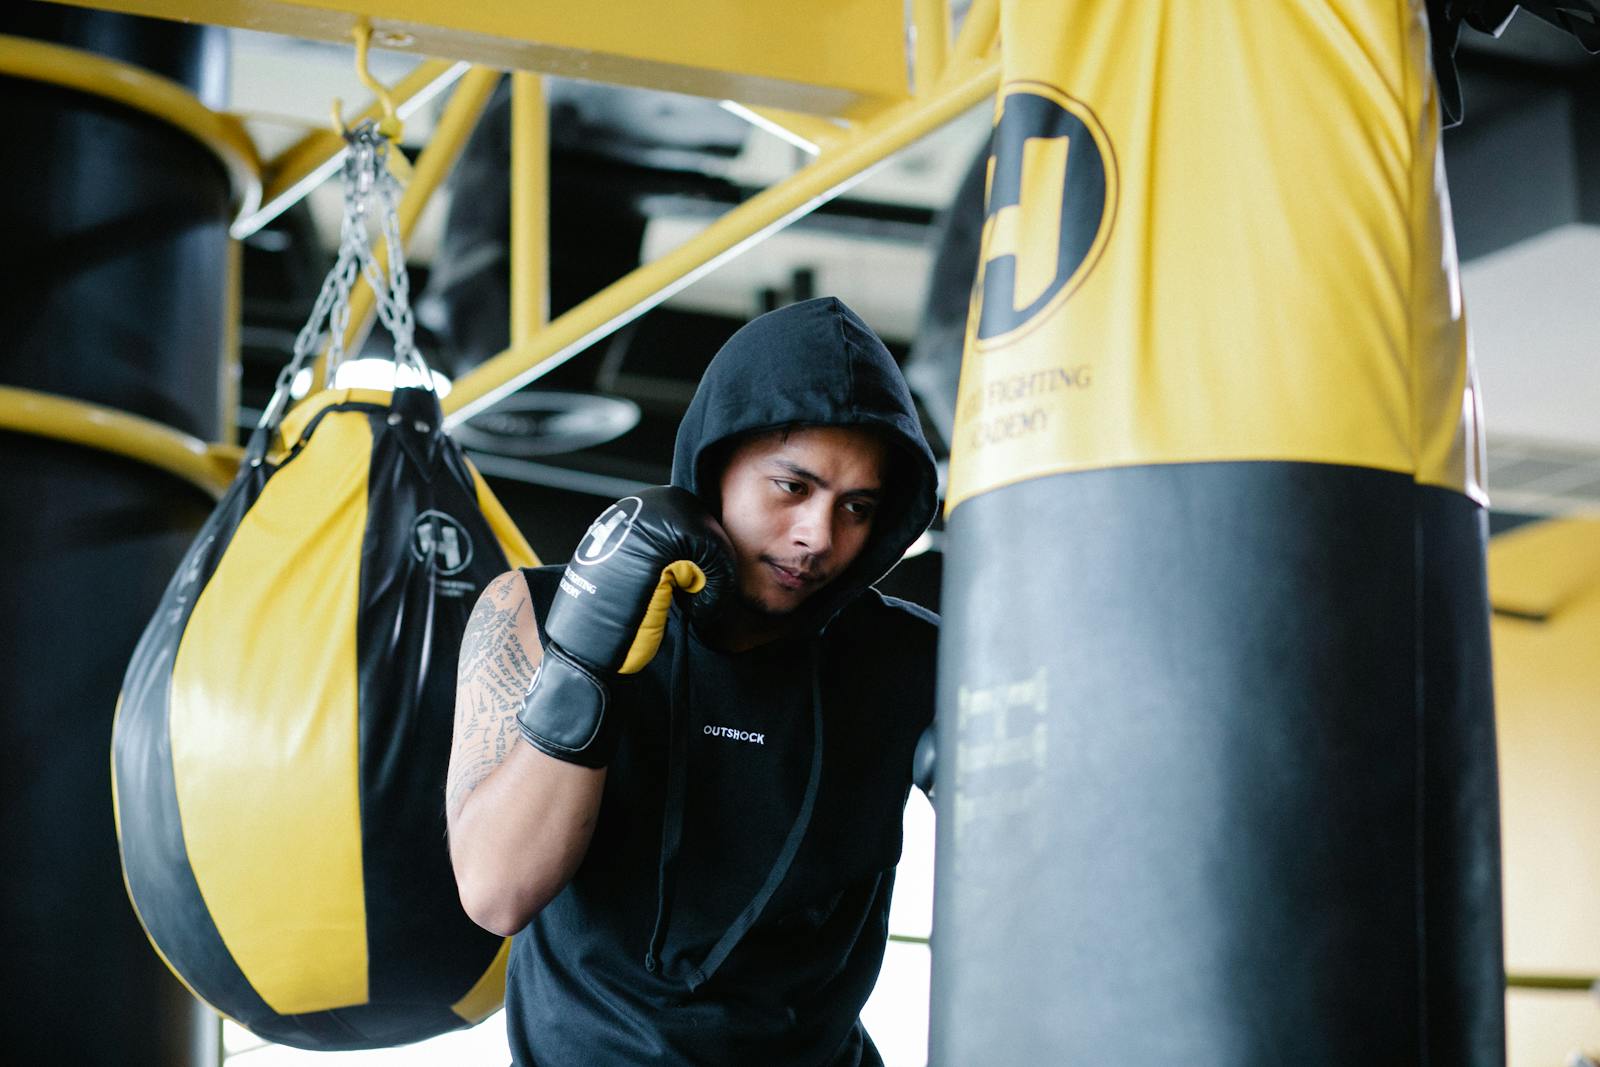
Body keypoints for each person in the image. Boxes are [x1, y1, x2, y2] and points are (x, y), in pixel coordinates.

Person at [445, 296, 940, 1066]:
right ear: (716, 463)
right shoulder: (534, 609)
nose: (819, 536)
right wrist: (586, 661)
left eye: (858, 507)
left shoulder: (905, 659)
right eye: (792, 486)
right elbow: (496, 891)